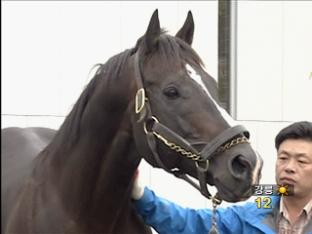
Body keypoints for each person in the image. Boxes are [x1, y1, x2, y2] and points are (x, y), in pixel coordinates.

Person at [131, 121, 312, 234]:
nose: (289, 168)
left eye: (302, 161)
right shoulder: (254, 214)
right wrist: (141, 195)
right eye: (283, 158)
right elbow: (192, 223)